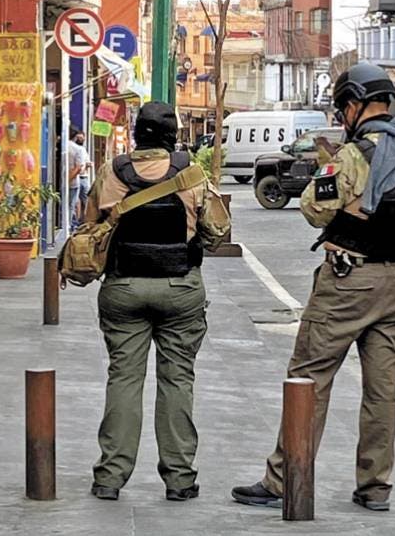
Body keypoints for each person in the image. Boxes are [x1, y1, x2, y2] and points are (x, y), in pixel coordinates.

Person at [231, 63, 395, 512]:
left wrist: (332, 171)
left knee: (309, 377)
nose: (343, 115)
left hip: (348, 281)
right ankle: (376, 487)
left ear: (354, 104)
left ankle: (284, 478)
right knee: (382, 392)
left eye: (344, 106)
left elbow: (313, 209)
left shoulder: (351, 156)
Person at [85, 101, 230, 502]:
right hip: (180, 289)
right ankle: (180, 479)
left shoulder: (110, 172)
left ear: (136, 133)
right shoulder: (191, 174)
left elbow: (89, 225)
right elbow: (217, 232)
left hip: (124, 287)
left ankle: (110, 477)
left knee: (124, 379)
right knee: (177, 380)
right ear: (173, 136)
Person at [67, 128, 89, 231]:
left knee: (74, 203)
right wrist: (69, 179)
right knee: (72, 204)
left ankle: (72, 223)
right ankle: (69, 225)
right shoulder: (77, 149)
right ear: (75, 137)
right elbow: (78, 168)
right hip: (74, 181)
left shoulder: (63, 146)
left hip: (71, 180)